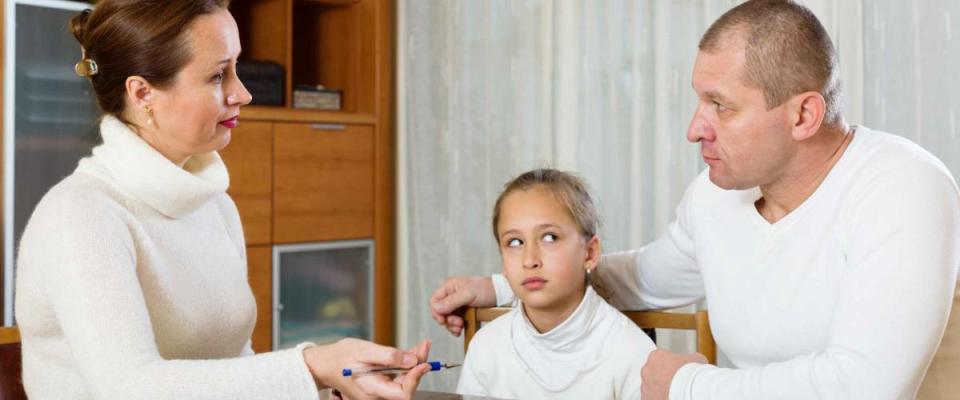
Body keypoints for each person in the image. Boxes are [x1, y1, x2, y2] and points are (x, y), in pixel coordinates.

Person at [429, 1, 960, 399]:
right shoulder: (715, 195)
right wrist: (497, 285)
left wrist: (683, 382)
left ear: (803, 115)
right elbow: (642, 276)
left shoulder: (905, 187)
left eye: (720, 106)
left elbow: (864, 388)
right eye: (697, 100)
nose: (693, 129)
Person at [14, 1, 431, 399]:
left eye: (236, 69)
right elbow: (128, 389)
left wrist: (335, 383)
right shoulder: (80, 215)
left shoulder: (213, 204)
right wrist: (311, 366)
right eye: (218, 76)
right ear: (142, 94)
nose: (243, 93)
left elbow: (234, 366)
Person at [455, 169, 655, 399]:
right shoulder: (487, 347)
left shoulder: (632, 352)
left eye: (550, 237)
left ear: (589, 253)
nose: (530, 260)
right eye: (515, 242)